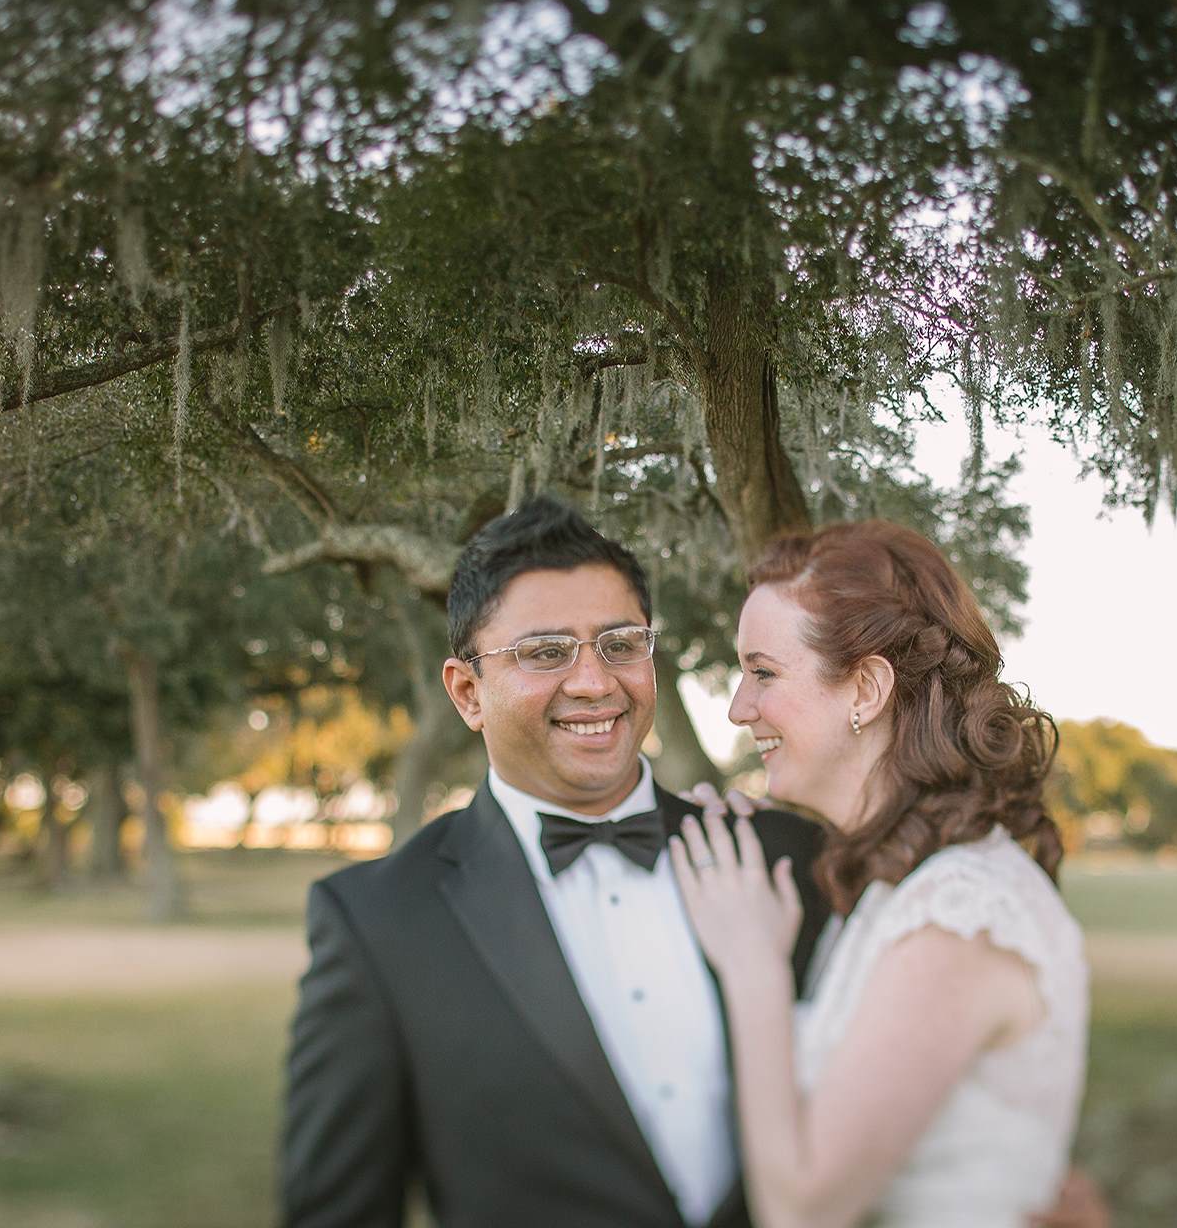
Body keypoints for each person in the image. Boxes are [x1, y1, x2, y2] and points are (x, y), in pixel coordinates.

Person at [279, 495, 832, 1227]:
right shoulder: (377, 923)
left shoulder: (784, 856)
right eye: (545, 653)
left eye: (620, 643)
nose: (595, 683)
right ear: (468, 692)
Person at [670, 519, 1091, 1228]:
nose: (741, 708)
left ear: (866, 688)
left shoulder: (958, 916)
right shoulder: (894, 886)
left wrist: (754, 968)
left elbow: (801, 1209)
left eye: (763, 673)